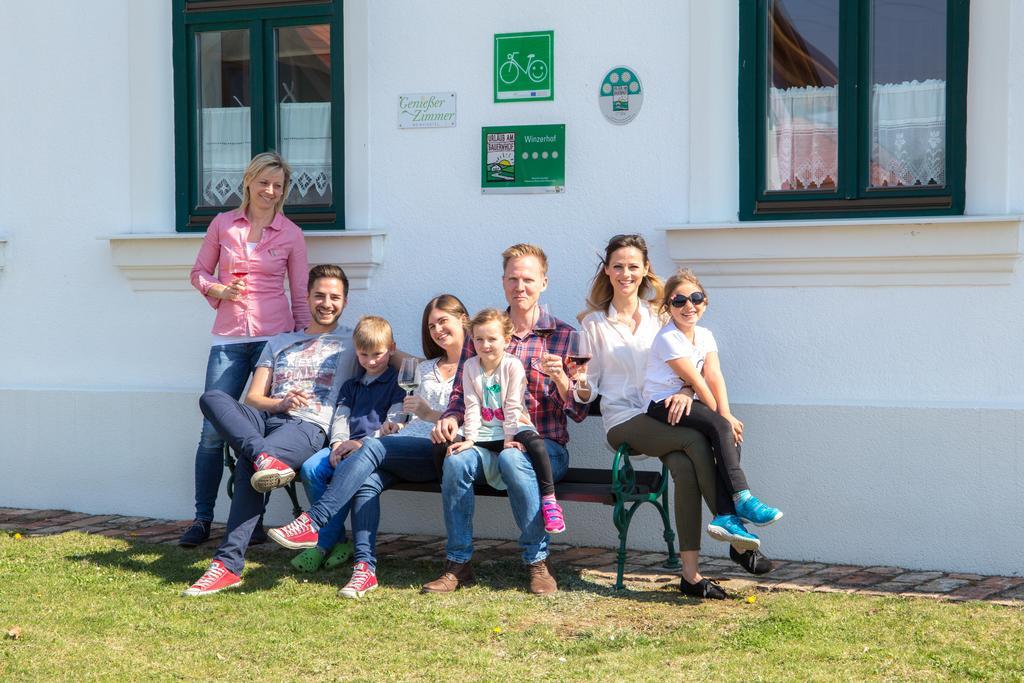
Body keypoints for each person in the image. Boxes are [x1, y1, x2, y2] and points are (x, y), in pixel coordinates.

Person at [576, 234, 772, 601]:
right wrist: (572, 382)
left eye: (633, 266)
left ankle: (691, 576)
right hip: (623, 420)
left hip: (665, 413)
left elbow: (690, 365)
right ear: (607, 271)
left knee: (685, 469)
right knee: (696, 440)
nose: (625, 273)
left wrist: (685, 392)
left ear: (645, 269)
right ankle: (738, 536)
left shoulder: (661, 315)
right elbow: (587, 388)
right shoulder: (593, 324)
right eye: (618, 266)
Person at [266, 295, 471, 598]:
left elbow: (474, 416)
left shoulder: (476, 366)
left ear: (463, 320)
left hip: (439, 449)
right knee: (366, 483)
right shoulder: (423, 368)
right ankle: (365, 569)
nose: (437, 329)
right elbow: (409, 413)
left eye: (444, 321)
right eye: (431, 325)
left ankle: (314, 520)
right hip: (404, 444)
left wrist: (427, 416)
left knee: (371, 448)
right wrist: (397, 425)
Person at [182, 265, 356, 597]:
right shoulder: (280, 341)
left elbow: (396, 359)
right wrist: (279, 403)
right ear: (306, 297)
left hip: (308, 425)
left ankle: (226, 565)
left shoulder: (353, 339)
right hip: (269, 416)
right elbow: (253, 397)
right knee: (213, 397)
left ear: (345, 301)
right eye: (319, 295)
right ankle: (264, 456)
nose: (326, 302)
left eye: (334, 297)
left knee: (250, 463)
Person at [424, 244, 587, 595]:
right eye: (513, 279)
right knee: (456, 460)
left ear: (544, 281)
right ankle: (458, 564)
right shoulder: (484, 332)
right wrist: (451, 419)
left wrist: (562, 380)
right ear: (503, 282)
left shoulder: (562, 336)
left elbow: (579, 410)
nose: (520, 286)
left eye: (528, 279)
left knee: (516, 457)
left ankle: (537, 562)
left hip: (544, 448)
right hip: (484, 441)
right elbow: (459, 394)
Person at [180, 152, 309, 548]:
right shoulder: (223, 225)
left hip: (274, 342)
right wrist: (218, 290)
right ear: (248, 182)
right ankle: (202, 519)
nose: (270, 191)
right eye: (263, 183)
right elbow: (198, 273)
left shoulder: (291, 234)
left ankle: (253, 523)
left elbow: (300, 295)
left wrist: (304, 345)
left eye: (278, 186)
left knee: (261, 433)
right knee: (211, 434)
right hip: (230, 340)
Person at [643, 268, 783, 539]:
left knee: (729, 433)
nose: (688, 306)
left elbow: (714, 374)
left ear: (705, 302)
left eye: (695, 298)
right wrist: (722, 418)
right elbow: (696, 379)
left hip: (689, 401)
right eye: (679, 300)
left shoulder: (705, 335)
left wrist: (727, 413)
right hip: (662, 404)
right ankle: (742, 499)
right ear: (668, 307)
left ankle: (726, 515)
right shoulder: (668, 337)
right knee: (722, 426)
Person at [289, 316, 405, 580]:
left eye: (377, 354)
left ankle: (322, 544)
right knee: (311, 468)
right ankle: (339, 538)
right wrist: (338, 443)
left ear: (392, 349)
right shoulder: (351, 385)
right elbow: (341, 416)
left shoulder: (398, 383)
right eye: (364, 355)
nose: (371, 361)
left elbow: (395, 423)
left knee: (350, 478)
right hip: (345, 445)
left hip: (375, 449)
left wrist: (361, 443)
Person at [447, 309, 565, 534]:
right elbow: (471, 404)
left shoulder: (512, 365)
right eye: (479, 339)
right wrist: (470, 439)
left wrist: (510, 439)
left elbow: (512, 405)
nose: (485, 345)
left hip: (513, 425)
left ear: (506, 340)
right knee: (454, 452)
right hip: (486, 429)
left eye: (492, 339)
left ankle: (550, 500)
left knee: (536, 443)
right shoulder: (471, 366)